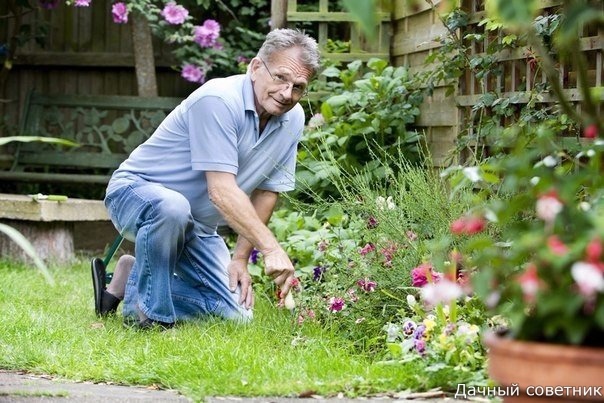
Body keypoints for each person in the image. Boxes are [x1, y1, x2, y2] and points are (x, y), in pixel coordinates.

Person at [92, 28, 320, 329]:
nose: (287, 93)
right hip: (136, 194)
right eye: (280, 77)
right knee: (172, 206)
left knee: (236, 315)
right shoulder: (219, 100)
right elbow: (221, 191)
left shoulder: (293, 119)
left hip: (198, 225)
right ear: (255, 67)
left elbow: (267, 191)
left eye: (298, 87)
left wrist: (240, 258)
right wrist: (271, 249)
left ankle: (130, 278)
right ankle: (149, 317)